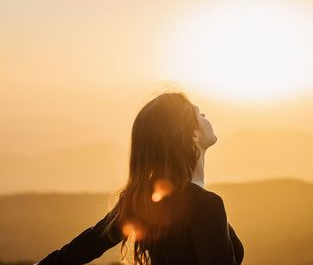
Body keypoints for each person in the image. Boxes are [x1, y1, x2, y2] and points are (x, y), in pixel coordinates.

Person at [36, 92, 244, 265]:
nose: (205, 114)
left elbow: (84, 247)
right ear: (194, 136)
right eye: (199, 113)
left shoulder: (144, 199)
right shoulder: (207, 205)